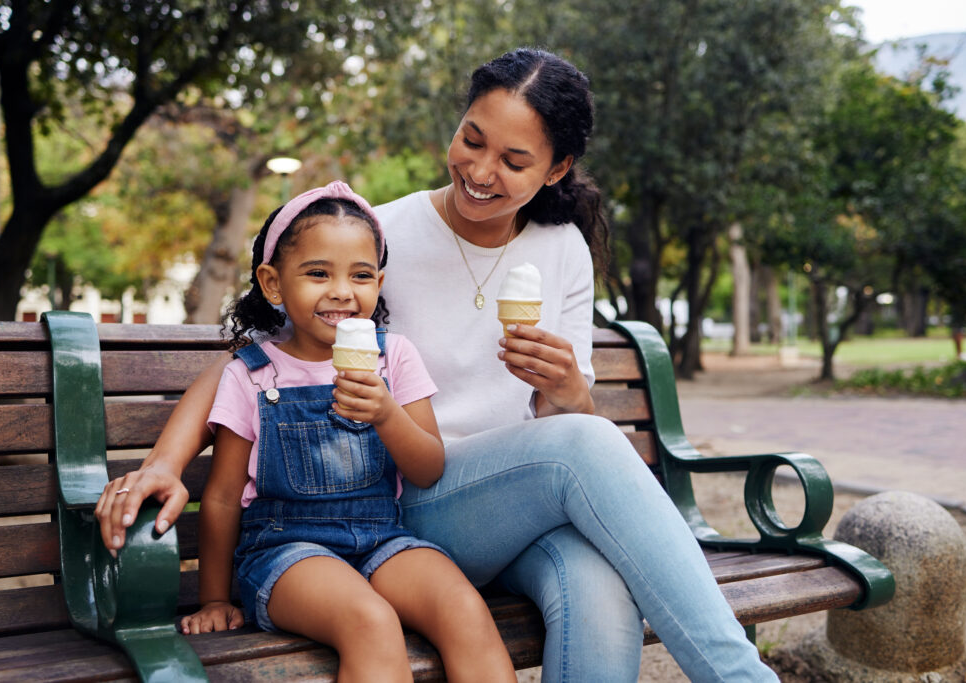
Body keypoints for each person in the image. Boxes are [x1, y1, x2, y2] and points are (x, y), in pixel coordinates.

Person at [96, 49, 778, 682]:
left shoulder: (562, 248)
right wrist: (165, 457)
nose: (481, 171)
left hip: (509, 508)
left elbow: (556, 427)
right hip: (402, 497)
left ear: (557, 169)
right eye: (472, 139)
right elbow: (256, 363)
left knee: (599, 589)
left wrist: (569, 388)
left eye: (514, 160)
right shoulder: (379, 239)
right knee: (589, 443)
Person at [175, 181, 516, 682]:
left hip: (381, 538)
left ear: (378, 282)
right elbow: (223, 497)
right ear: (272, 284)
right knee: (371, 620)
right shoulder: (252, 374)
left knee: (463, 607)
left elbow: (428, 467)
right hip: (284, 550)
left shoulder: (393, 357)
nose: (341, 290)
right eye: (317, 273)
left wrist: (386, 414)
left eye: (360, 275)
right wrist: (214, 599)